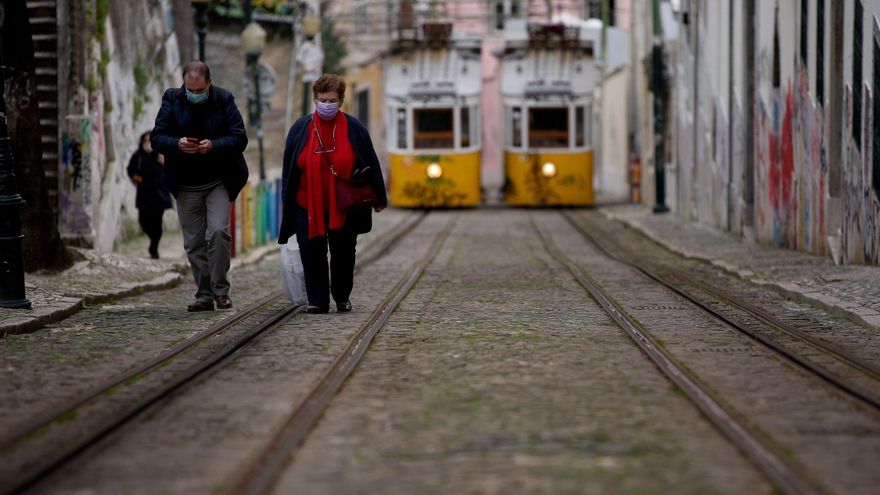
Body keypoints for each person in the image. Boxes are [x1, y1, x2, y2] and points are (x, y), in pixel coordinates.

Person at [278, 74, 387, 314]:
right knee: (311, 249)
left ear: (341, 101)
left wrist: (379, 197)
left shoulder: (354, 128)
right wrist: (287, 201)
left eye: (332, 100)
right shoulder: (300, 128)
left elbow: (370, 160)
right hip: (307, 202)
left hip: (344, 204)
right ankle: (317, 300)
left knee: (344, 252)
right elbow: (289, 166)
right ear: (315, 100)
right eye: (322, 100)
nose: (327, 104)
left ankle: (341, 295)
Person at [151, 61, 249, 312]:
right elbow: (157, 138)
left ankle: (221, 290)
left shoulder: (224, 99)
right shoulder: (172, 99)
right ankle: (203, 294)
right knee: (194, 242)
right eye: (189, 89)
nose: (194, 94)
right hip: (185, 184)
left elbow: (239, 137)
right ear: (183, 84)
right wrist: (177, 144)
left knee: (217, 232)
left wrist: (214, 145)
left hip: (218, 181)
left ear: (209, 83)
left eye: (198, 89)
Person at [127, 131, 172, 259]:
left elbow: (171, 171)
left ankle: (154, 249)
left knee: (157, 223)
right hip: (144, 194)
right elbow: (130, 170)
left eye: (150, 141)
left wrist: (164, 163)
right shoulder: (137, 156)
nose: (148, 143)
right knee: (143, 221)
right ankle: (153, 240)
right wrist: (135, 178)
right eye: (146, 141)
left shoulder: (160, 155)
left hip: (159, 195)